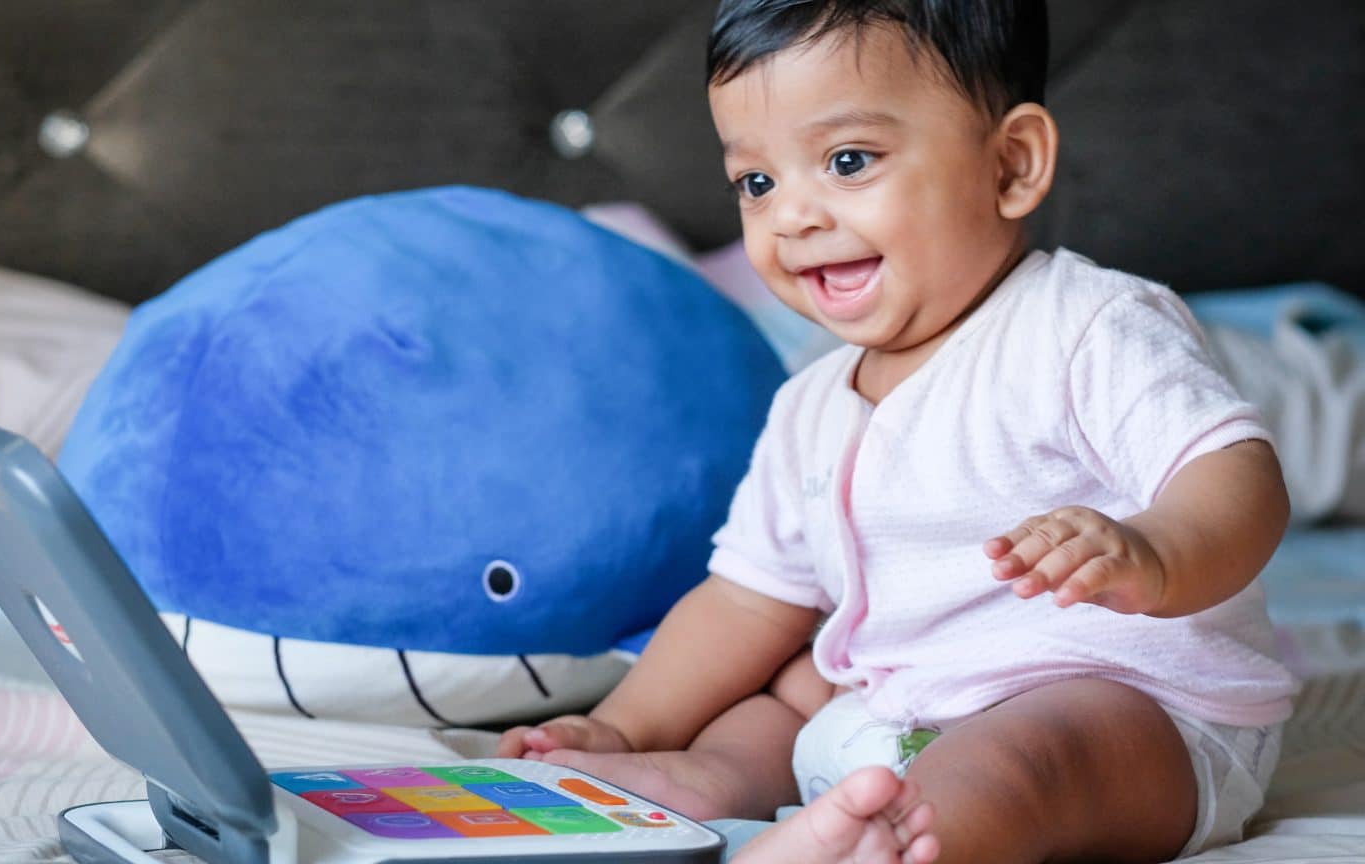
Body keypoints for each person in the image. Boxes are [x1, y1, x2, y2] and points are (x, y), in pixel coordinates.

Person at [497, 1, 1297, 861]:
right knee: (776, 693)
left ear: (1011, 165)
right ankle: (708, 785)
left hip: (1131, 712)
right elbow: (744, 600)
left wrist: (1157, 553)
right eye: (756, 182)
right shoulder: (809, 403)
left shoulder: (1085, 325)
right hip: (897, 701)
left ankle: (919, 838)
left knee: (1032, 754)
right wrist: (621, 726)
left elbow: (1233, 476)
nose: (791, 216)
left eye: (848, 161)